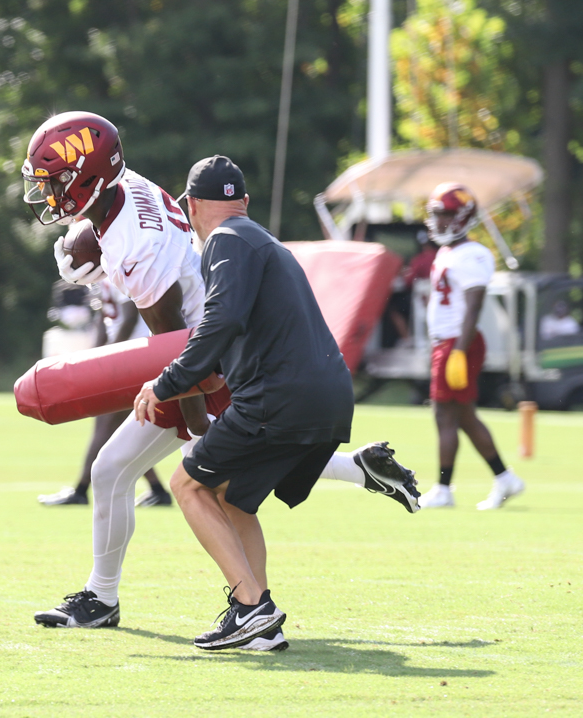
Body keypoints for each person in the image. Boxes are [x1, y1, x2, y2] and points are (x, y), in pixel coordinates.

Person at [133, 156, 421, 651]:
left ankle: (249, 608)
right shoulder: (262, 239)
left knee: (188, 485)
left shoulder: (224, 241)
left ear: (192, 206)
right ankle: (262, 627)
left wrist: (166, 383)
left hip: (280, 397)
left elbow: (219, 322)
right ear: (243, 202)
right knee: (233, 498)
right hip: (329, 396)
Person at [21, 111, 225, 633]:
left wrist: (199, 434)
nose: (49, 195)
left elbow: (176, 350)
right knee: (110, 471)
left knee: (227, 476)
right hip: (208, 342)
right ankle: (101, 598)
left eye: (56, 183)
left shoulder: (136, 250)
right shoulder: (122, 185)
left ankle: (250, 604)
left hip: (212, 361)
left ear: (87, 175)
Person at [416, 184, 524, 510]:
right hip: (448, 343)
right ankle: (505, 479)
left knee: (445, 415)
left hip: (456, 343)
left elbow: (474, 305)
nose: (439, 221)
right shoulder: (446, 253)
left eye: (446, 214)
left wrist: (460, 350)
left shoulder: (472, 254)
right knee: (462, 417)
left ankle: (444, 489)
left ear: (463, 217)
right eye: (436, 214)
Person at [38, 278, 171, 507]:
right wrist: (94, 357)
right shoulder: (106, 273)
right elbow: (104, 319)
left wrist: (111, 355)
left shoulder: (120, 269)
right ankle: (157, 490)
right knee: (118, 428)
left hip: (131, 356)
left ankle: (80, 489)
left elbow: (130, 315)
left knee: (106, 424)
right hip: (125, 355)